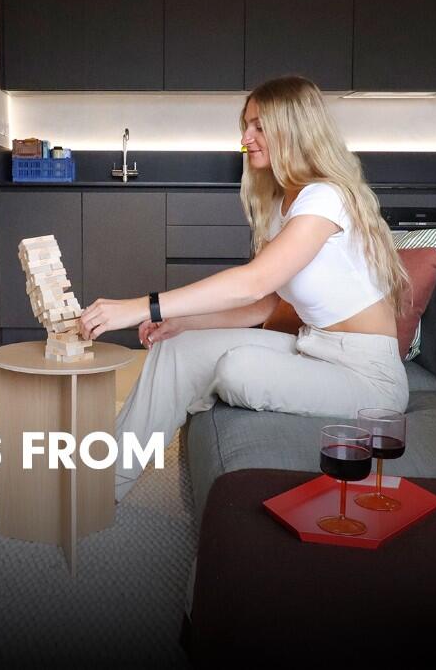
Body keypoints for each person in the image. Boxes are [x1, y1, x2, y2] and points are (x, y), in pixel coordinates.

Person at [78, 77, 411, 502]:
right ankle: (101, 483)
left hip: (367, 378)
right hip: (314, 347)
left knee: (239, 368)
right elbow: (265, 304)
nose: (245, 139)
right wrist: (184, 323)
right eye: (246, 126)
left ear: (294, 129)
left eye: (259, 127)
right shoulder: (283, 203)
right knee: (177, 347)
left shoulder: (326, 198)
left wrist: (143, 307)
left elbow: (253, 283)